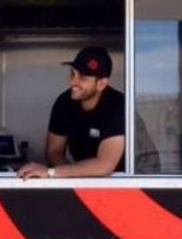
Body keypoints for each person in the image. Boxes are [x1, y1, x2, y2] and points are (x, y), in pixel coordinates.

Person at [18, 46, 124, 179]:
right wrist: (67, 175)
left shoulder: (118, 105)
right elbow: (54, 151)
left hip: (133, 181)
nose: (73, 81)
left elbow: (104, 165)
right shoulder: (65, 102)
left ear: (101, 84)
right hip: (89, 183)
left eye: (83, 77)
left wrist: (51, 172)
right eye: (73, 73)